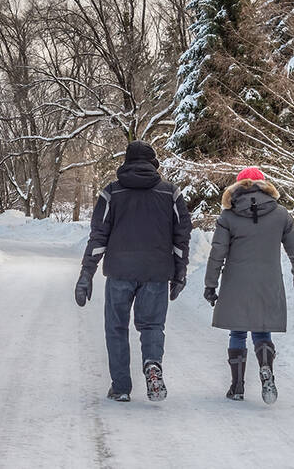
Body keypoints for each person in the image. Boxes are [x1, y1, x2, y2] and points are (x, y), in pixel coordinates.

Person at [74, 141, 192, 403]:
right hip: (157, 273)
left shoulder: (112, 193)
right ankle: (152, 365)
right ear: (153, 163)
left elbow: (98, 237)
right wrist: (180, 272)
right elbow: (181, 237)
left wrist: (86, 273)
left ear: (126, 162)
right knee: (151, 326)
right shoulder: (170, 193)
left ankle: (121, 387)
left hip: (119, 272)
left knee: (116, 327)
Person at [203, 167, 294, 404]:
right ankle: (266, 369)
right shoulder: (280, 213)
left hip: (236, 282)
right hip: (268, 281)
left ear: (237, 187)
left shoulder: (228, 216)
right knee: (262, 329)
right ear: (264, 185)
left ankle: (237, 387)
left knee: (237, 331)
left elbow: (217, 252)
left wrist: (210, 284)